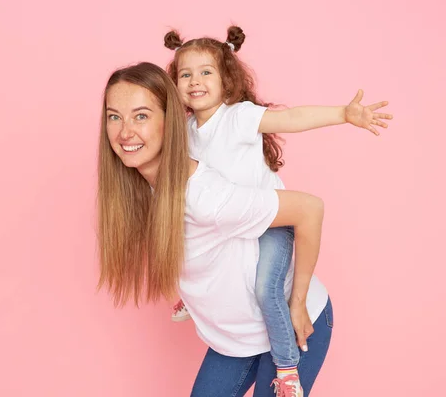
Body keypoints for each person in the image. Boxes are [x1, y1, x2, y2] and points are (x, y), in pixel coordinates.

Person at [163, 25, 392, 394]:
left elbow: (292, 119)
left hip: (272, 223)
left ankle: (286, 367)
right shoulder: (185, 130)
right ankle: (197, 297)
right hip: (236, 234)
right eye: (185, 73)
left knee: (266, 286)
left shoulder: (238, 117)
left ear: (227, 80)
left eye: (206, 72)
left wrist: (343, 114)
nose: (195, 81)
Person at [97, 62, 333, 396]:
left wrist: (296, 303)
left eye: (141, 116)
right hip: (237, 339)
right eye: (114, 116)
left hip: (292, 327)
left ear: (172, 122)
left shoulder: (204, 196)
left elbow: (310, 209)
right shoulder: (142, 188)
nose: (124, 132)